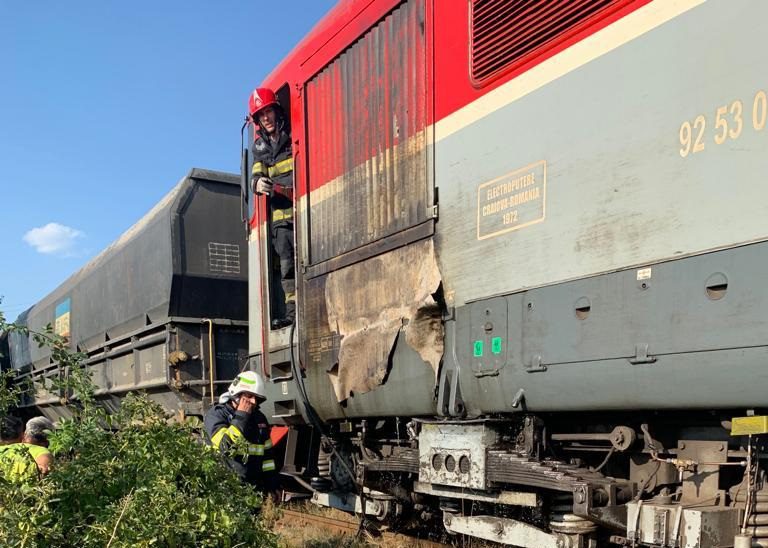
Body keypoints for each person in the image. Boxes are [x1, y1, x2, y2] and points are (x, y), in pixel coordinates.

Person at [249, 87, 295, 329]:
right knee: (287, 266)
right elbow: (255, 177)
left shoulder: (292, 134)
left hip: (301, 209)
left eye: (268, 112)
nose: (265, 118)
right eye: (261, 115)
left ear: (276, 112)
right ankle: (293, 313)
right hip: (280, 219)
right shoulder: (260, 149)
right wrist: (258, 183)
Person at [204, 371, 279, 494]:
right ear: (236, 394)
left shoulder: (259, 418)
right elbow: (224, 447)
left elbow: (268, 457)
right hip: (224, 488)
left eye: (257, 398)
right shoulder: (217, 415)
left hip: (253, 490)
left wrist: (272, 484)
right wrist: (241, 417)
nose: (253, 401)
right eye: (249, 396)